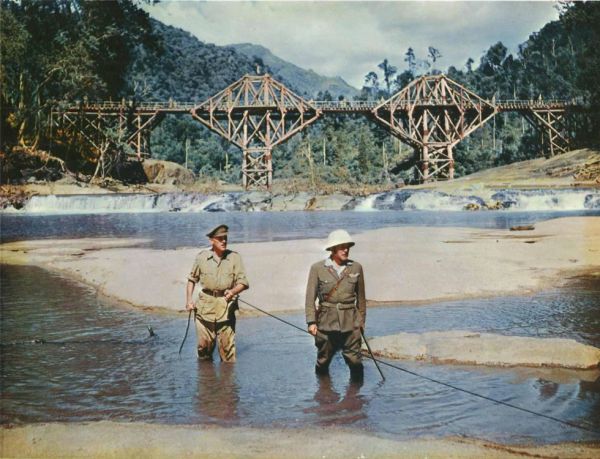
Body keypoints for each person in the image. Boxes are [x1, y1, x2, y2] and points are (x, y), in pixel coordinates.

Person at [305, 229, 366, 380]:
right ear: (332, 249)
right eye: (342, 246)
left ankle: (355, 398)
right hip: (326, 323)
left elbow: (362, 300)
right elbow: (309, 298)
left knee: (355, 361)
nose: (346, 250)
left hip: (350, 322)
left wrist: (361, 322)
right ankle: (324, 395)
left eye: (348, 246)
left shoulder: (356, 267)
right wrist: (311, 322)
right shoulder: (317, 268)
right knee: (323, 360)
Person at [186, 224, 249, 362]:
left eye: (225, 238)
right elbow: (191, 280)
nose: (224, 241)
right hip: (204, 309)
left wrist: (233, 291)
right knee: (203, 349)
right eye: (220, 238)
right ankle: (207, 381)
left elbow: (243, 283)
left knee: (228, 354)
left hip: (226, 309)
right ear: (211, 240)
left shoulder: (234, 258)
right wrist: (189, 300)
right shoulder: (201, 258)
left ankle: (228, 383)